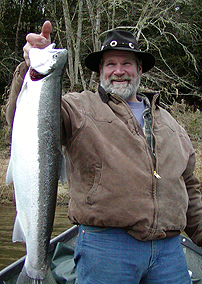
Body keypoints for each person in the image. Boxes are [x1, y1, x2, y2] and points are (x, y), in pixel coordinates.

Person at [6, 21, 202, 284]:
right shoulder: (78, 108)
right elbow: (24, 118)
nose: (118, 71)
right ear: (100, 70)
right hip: (105, 249)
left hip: (169, 253)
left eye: (127, 63)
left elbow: (190, 189)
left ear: (139, 69)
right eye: (110, 64)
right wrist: (28, 68)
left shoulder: (171, 124)